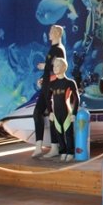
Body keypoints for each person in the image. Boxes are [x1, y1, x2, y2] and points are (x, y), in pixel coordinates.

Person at [32, 25, 66, 158]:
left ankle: (55, 147)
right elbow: (51, 69)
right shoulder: (53, 49)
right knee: (37, 113)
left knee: (52, 115)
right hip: (46, 86)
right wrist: (43, 78)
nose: (49, 33)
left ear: (57, 34)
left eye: (52, 31)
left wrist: (45, 66)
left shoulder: (59, 49)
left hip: (52, 87)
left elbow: (61, 66)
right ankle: (38, 146)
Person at [49, 57, 80, 162]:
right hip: (56, 113)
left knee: (68, 134)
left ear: (64, 67)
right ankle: (63, 151)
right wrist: (50, 112)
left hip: (67, 112)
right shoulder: (52, 83)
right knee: (59, 133)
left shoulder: (70, 82)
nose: (55, 68)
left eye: (57, 65)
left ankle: (70, 152)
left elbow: (76, 98)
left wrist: (74, 113)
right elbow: (47, 98)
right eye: (54, 65)